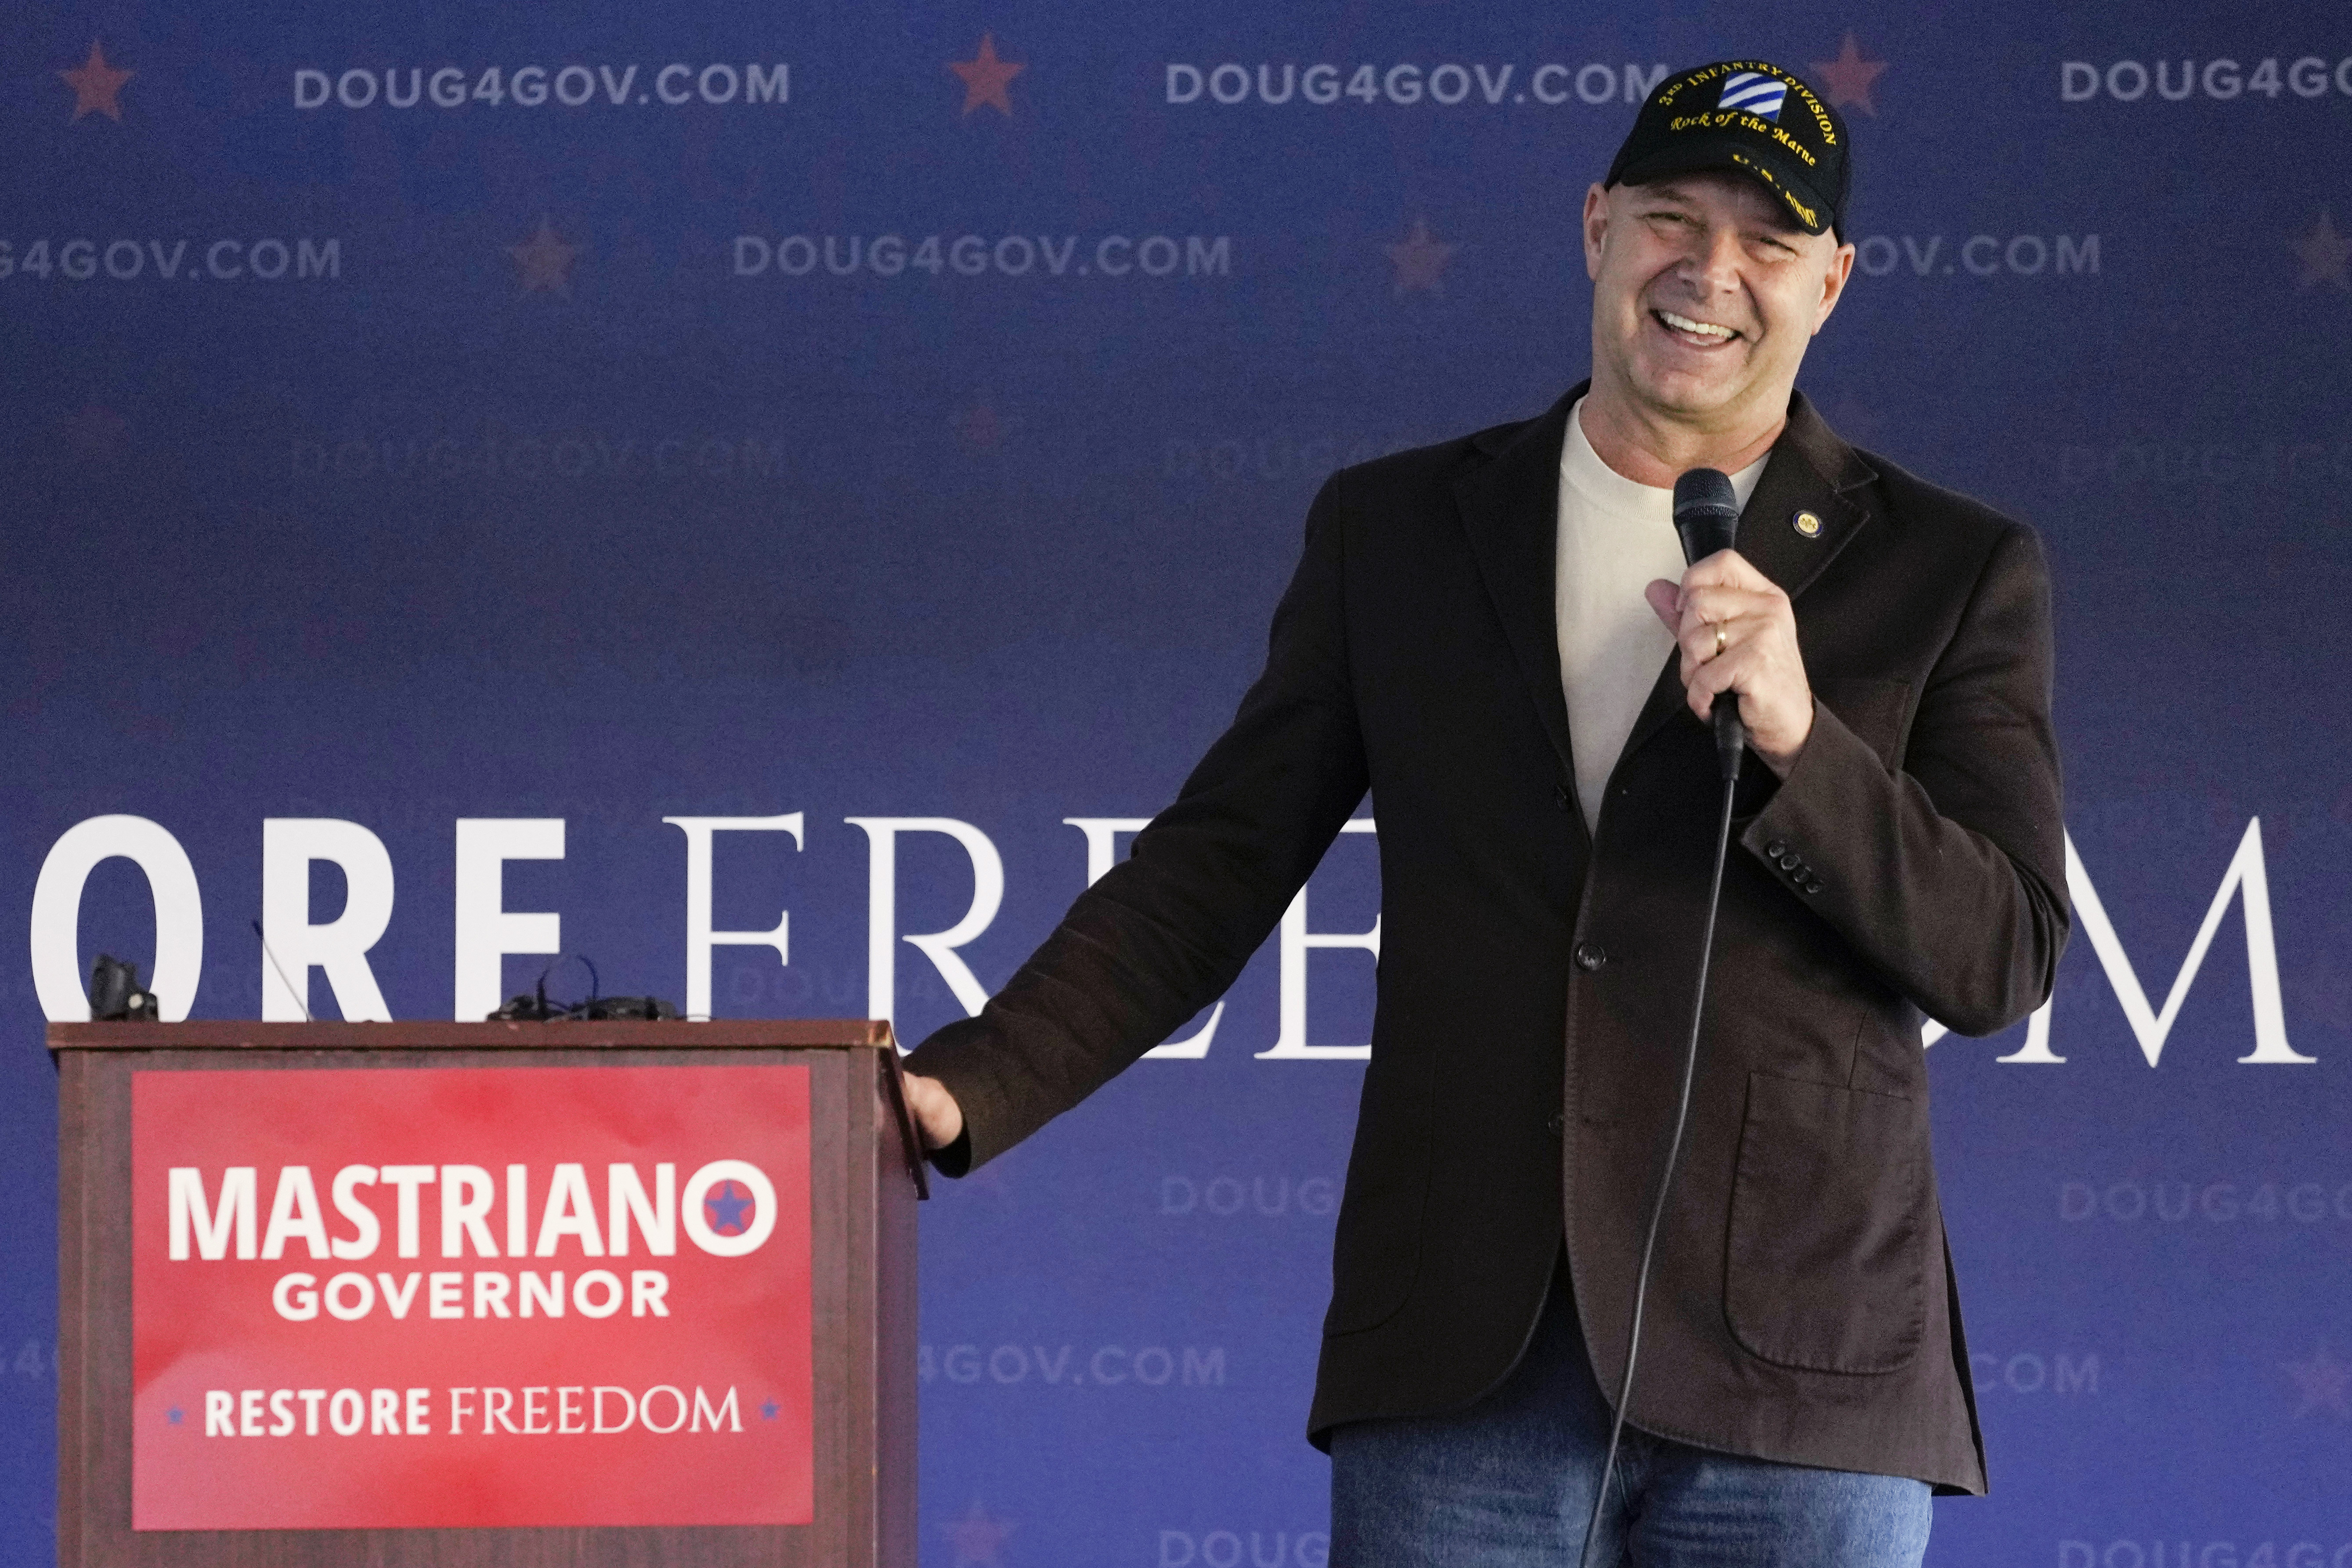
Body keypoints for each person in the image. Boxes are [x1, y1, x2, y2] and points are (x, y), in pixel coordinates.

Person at [901, 58, 2068, 1567]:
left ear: (1829, 282)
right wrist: (971, 1083)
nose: (1706, 274)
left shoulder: (1951, 565)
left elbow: (2000, 953)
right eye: (1669, 218)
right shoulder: (1395, 529)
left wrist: (1799, 733)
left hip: (1806, 1371)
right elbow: (1214, 865)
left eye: (1765, 245)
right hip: (1462, 1363)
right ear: (1595, 226)